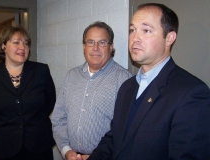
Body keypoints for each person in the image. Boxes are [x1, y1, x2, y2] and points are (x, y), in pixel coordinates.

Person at [86, 3, 210, 160]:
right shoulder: (127, 87)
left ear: (169, 38)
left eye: (146, 30)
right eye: (132, 30)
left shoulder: (191, 93)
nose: (135, 38)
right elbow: (114, 138)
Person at [50, 21, 132, 160]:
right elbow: (59, 118)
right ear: (84, 47)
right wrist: (66, 150)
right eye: (90, 42)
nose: (95, 48)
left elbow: (125, 129)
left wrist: (98, 156)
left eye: (102, 42)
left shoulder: (125, 80)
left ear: (111, 47)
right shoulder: (72, 76)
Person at [0, 25, 56, 160]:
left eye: (26, 43)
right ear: (3, 46)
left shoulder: (41, 71)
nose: (22, 47)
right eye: (16, 42)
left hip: (38, 145)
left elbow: (49, 102)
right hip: (2, 146)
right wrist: (3, 123)